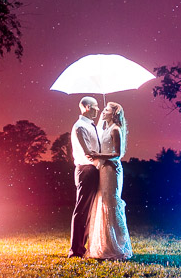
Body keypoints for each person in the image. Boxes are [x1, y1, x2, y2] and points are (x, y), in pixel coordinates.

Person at [85, 102, 133, 260]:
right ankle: (103, 244)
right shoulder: (105, 129)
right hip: (103, 170)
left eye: (106, 110)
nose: (102, 112)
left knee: (110, 202)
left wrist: (98, 155)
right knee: (102, 200)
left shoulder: (116, 130)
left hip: (112, 170)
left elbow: (117, 154)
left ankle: (115, 245)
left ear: (113, 114)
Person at [68, 96, 101, 258]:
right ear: (87, 107)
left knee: (89, 211)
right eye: (95, 106)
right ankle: (75, 250)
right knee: (82, 210)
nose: (98, 109)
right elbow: (88, 153)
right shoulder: (80, 127)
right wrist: (103, 162)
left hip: (92, 169)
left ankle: (82, 247)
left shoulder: (91, 125)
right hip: (86, 170)